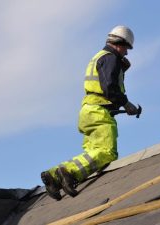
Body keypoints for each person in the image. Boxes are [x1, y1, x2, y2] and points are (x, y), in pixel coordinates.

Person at [41, 25, 141, 200]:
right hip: (99, 113)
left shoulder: (99, 57)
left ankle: (54, 176)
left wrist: (121, 70)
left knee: (91, 154)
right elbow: (109, 87)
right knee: (107, 152)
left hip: (87, 112)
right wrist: (126, 104)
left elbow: (101, 82)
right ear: (120, 43)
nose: (127, 53)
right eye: (127, 48)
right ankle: (71, 173)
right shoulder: (111, 58)